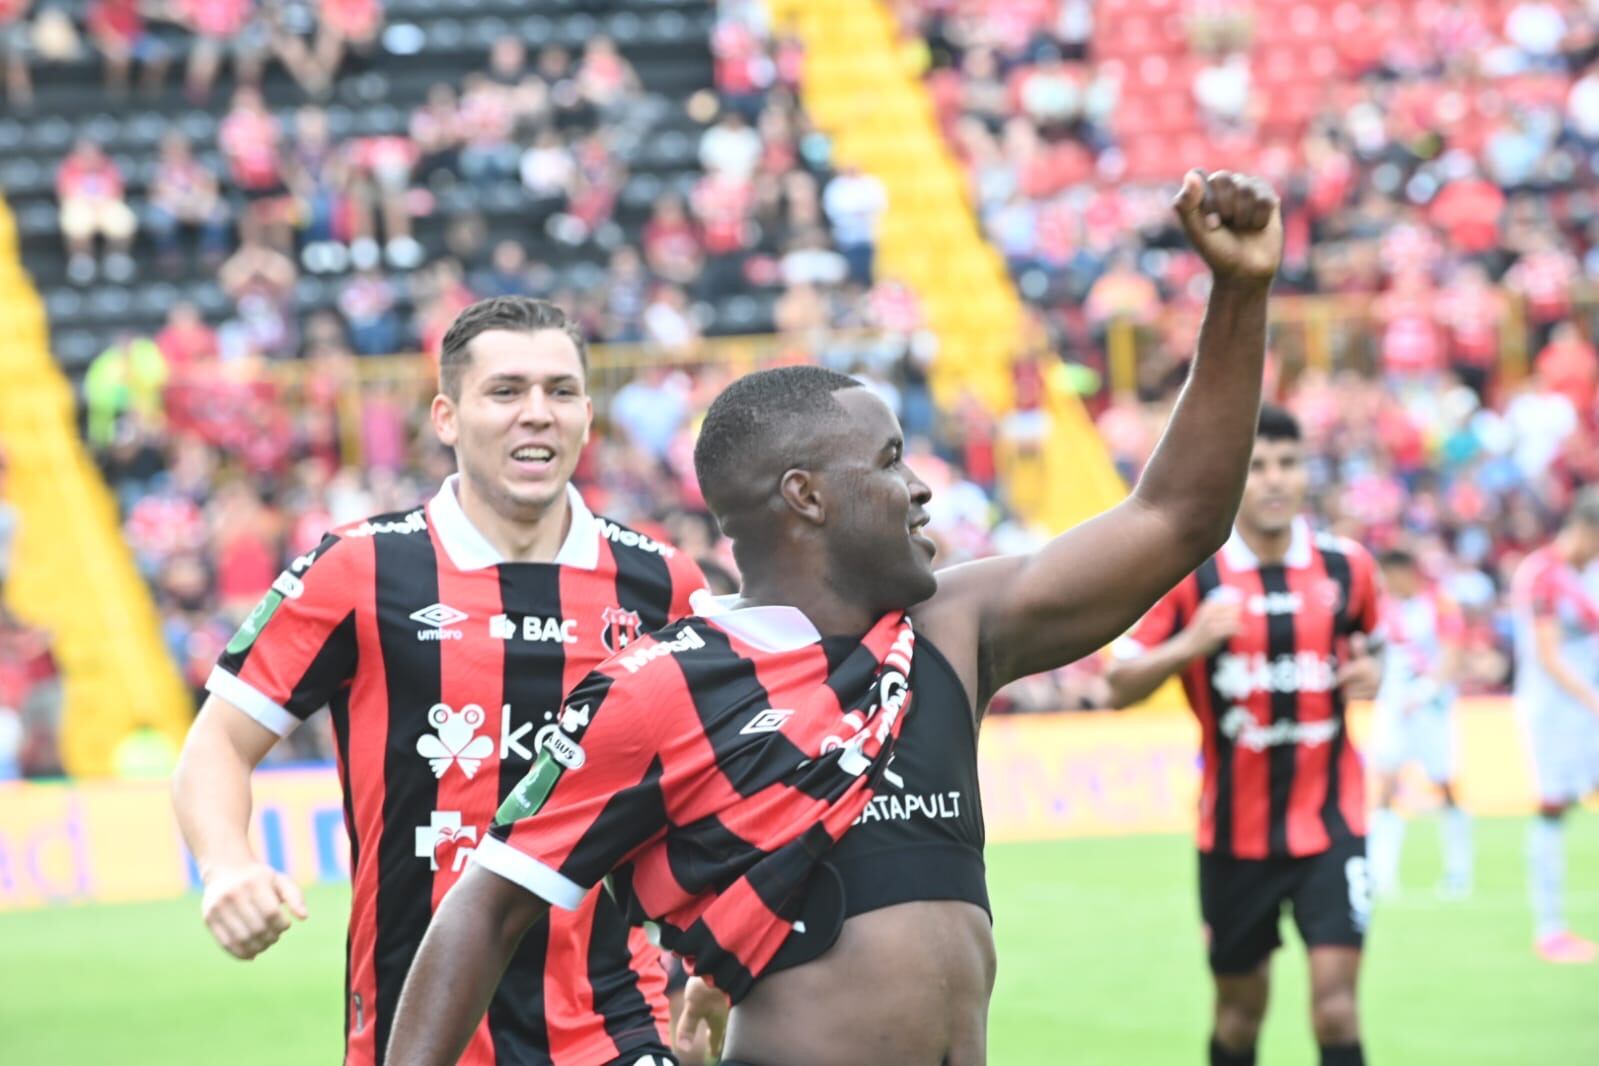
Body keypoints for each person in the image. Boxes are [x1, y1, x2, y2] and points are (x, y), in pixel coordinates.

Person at [385, 168, 1284, 1066]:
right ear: (806, 497)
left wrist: (1240, 294)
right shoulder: (659, 687)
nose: (921, 487)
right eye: (890, 462)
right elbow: (489, 902)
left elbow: (1174, 518)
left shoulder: (949, 631)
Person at [171, 297, 706, 1066]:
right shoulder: (358, 568)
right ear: (447, 418)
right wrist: (226, 866)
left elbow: (715, 798)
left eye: (559, 392)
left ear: (588, 415)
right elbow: (217, 742)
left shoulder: (661, 584)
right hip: (414, 1031)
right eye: (505, 391)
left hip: (615, 1024)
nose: (536, 414)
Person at [1104, 404, 1385, 1066]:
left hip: (1332, 823)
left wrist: (1372, 673)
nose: (1274, 480)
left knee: (1336, 1009)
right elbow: (1116, 686)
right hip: (1233, 835)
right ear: (1235, 477)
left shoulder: (1348, 569)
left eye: (1287, 464)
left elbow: (1369, 648)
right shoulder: (1192, 577)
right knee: (1237, 1015)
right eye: (1256, 467)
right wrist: (1190, 644)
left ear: (1304, 472)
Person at [1507, 490, 1599, 964]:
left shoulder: (1588, 573)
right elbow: (1550, 654)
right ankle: (1550, 930)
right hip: (1554, 711)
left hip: (1586, 710)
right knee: (1553, 808)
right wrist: (1593, 702)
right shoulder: (1543, 574)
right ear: (1585, 530)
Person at [1366, 548, 1472, 901]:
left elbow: (1453, 653)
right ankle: (1380, 875)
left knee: (1445, 787)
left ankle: (1458, 872)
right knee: (1384, 787)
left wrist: (1425, 691)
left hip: (1432, 710)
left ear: (1406, 572)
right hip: (1393, 709)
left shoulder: (1440, 603)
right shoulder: (1383, 607)